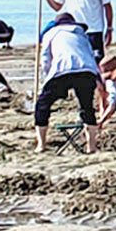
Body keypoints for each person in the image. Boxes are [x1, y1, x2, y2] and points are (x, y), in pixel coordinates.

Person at [33, 11, 100, 154]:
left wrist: (47, 77)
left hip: (62, 70)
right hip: (86, 70)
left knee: (42, 105)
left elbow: (45, 58)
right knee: (87, 107)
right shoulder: (82, 34)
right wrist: (97, 76)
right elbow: (90, 54)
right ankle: (91, 147)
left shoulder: (51, 33)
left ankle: (41, 145)